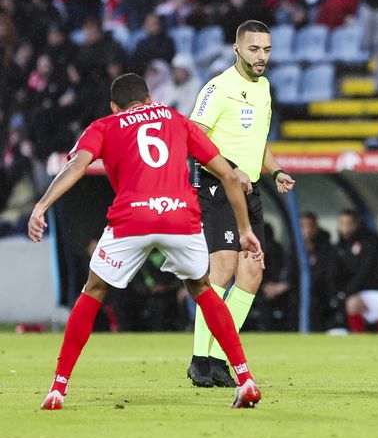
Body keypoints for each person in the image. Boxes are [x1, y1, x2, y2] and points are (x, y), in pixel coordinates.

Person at [28, 73, 262, 410]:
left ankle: (57, 389)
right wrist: (244, 229)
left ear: (114, 105)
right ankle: (246, 380)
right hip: (181, 216)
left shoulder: (104, 125)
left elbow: (76, 166)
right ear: (149, 99)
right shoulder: (175, 118)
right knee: (202, 289)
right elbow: (227, 174)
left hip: (132, 217)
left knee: (93, 290)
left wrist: (41, 206)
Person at [187, 20, 296, 388]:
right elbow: (193, 139)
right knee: (223, 267)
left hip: (249, 192)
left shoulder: (264, 88)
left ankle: (219, 359)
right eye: (254, 49)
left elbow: (259, 140)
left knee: (252, 272)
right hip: (217, 185)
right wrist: (231, 169)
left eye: (266, 49)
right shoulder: (217, 88)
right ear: (237, 49)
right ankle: (200, 360)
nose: (261, 56)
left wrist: (276, 169)